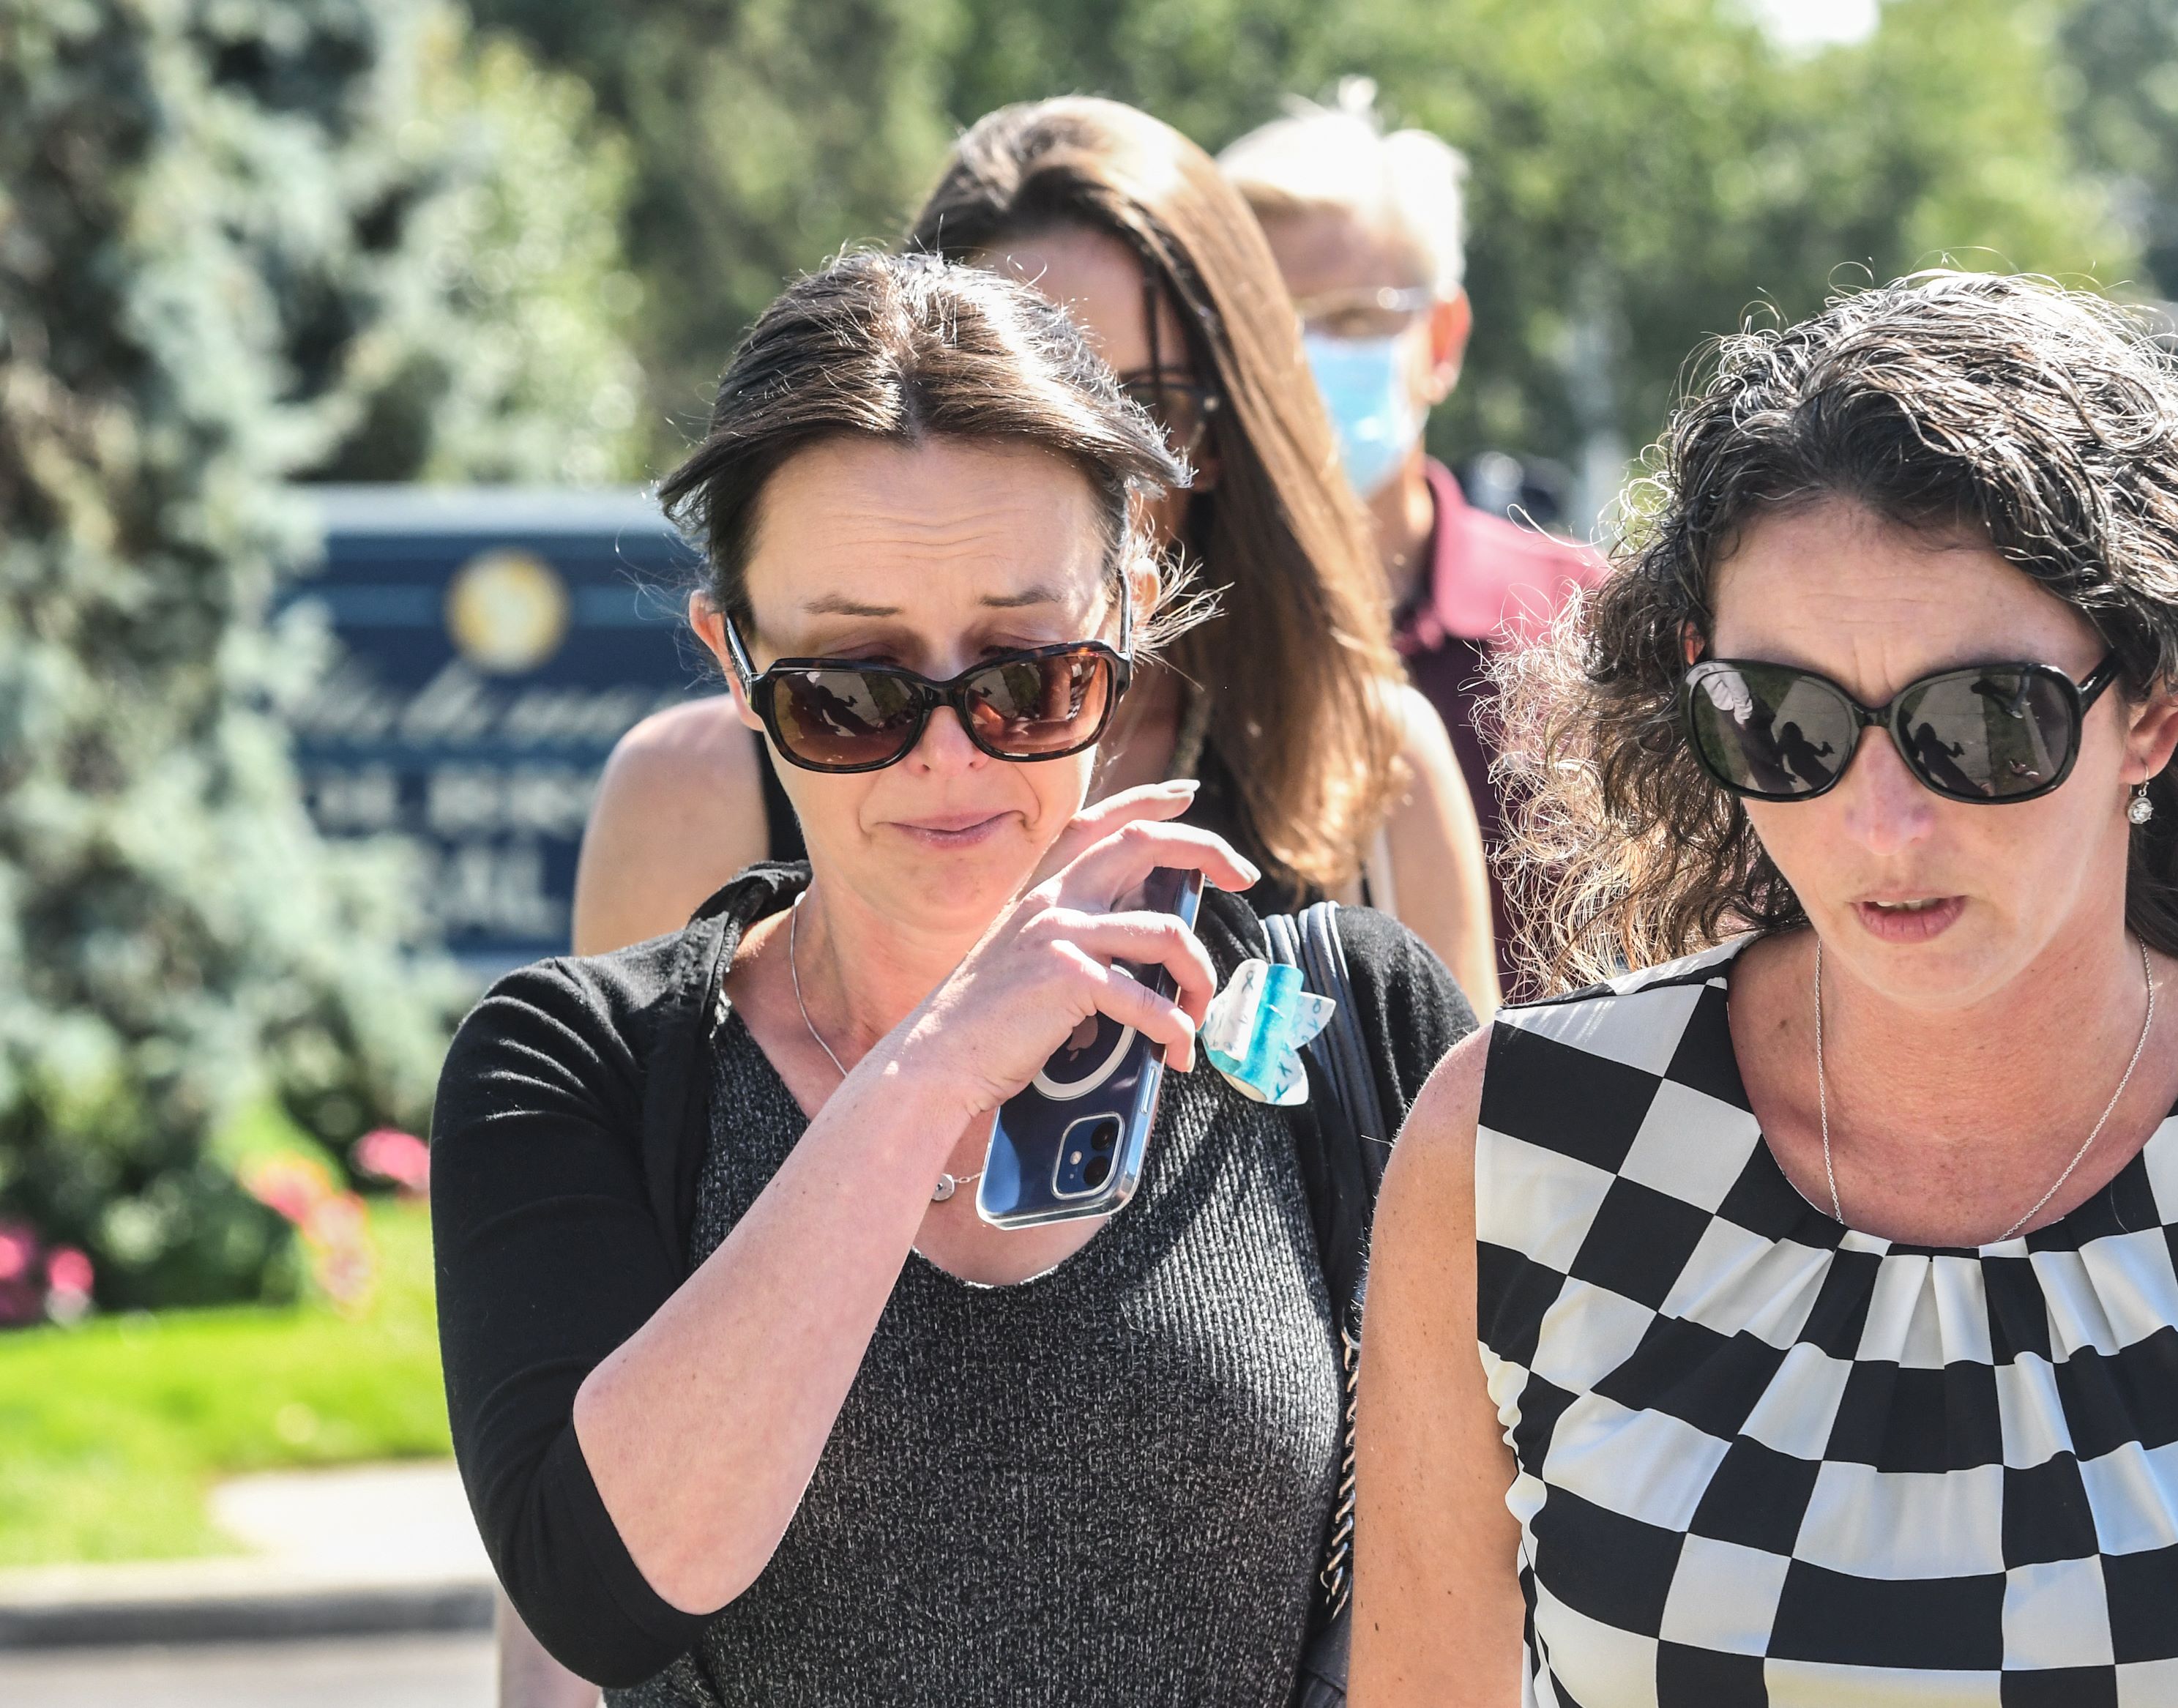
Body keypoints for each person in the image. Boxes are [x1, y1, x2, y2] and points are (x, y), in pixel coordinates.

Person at [1353, 272, 2178, 1704]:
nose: (1881, 823)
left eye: (1979, 722)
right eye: (1784, 720)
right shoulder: (1517, 1140)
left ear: (2153, 711)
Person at [435, 250, 1474, 1706]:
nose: (948, 756)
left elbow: (1476, 1604)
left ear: (1124, 613)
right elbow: (606, 1587)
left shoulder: (1350, 1022)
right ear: (732, 661)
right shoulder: (580, 1067)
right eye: (848, 691)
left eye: (1025, 675)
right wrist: (929, 1067)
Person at [574, 98, 1499, 1018]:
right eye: (1007, 393)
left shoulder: (1370, 763)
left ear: (1224, 438)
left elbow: (1455, 1157)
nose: (1082, 457)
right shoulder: (689, 793)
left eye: (1145, 404)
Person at [1220, 83, 1608, 998]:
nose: (1302, 359)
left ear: (1440, 337)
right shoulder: (1171, 641)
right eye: (1264, 324)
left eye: (1354, 317)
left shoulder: (1586, 622)